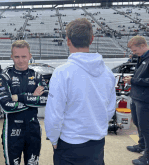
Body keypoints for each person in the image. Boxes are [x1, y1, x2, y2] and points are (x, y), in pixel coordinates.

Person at [44, 18, 116, 165]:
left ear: (68, 40)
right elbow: (109, 109)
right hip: (97, 143)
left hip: (69, 143)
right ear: (92, 39)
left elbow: (54, 113)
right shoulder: (107, 72)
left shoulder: (62, 73)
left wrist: (53, 138)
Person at [0, 40, 48, 165]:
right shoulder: (4, 77)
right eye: (17, 56)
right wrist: (33, 97)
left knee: (33, 163)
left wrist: (19, 98)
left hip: (33, 129)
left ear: (30, 56)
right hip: (12, 130)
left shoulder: (37, 76)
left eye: (24, 56)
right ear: (11, 57)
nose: (21, 60)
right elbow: (6, 106)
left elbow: (45, 100)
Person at [123, 35, 149, 165]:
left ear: (143, 46)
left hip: (145, 99)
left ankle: (147, 157)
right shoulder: (141, 57)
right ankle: (142, 145)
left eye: (135, 50)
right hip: (137, 96)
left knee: (146, 127)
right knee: (139, 124)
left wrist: (133, 80)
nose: (134, 53)